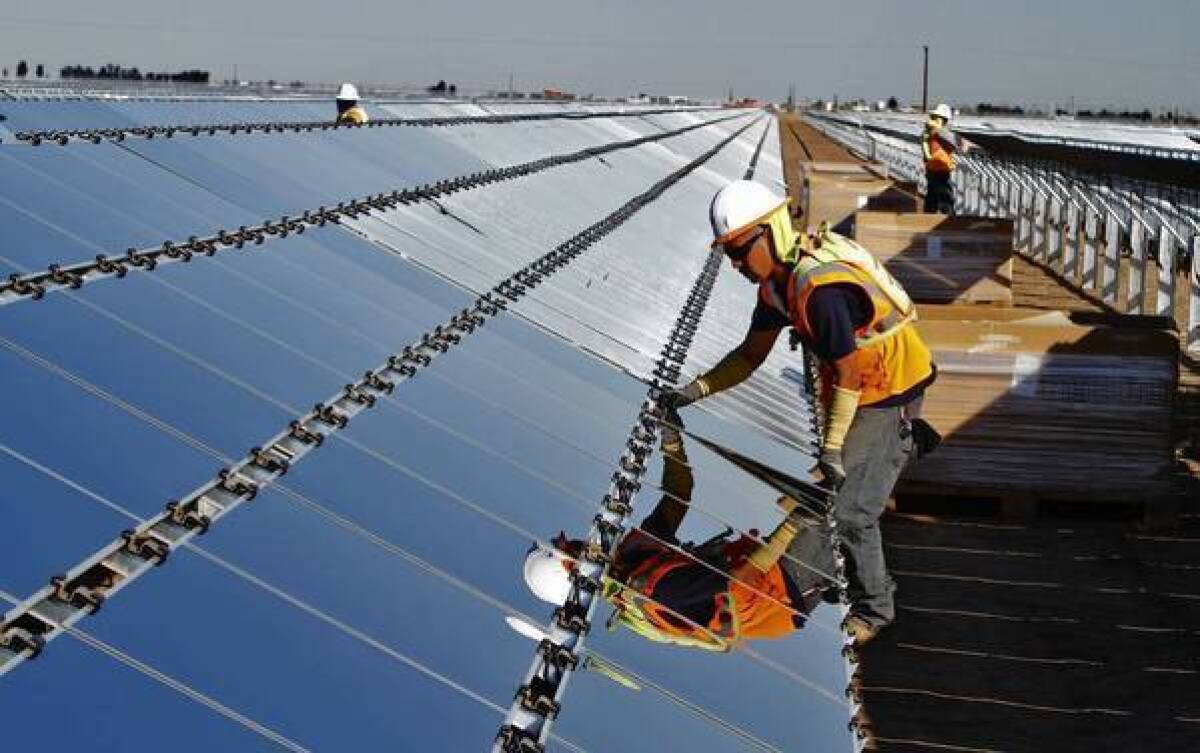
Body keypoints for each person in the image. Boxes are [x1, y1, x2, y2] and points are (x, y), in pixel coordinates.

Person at [663, 180, 939, 643]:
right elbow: (749, 356)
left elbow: (850, 375)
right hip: (860, 387)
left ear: (770, 232)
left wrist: (832, 454)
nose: (734, 264)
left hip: (888, 386)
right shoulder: (776, 289)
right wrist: (692, 392)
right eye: (727, 254)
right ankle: (898, 454)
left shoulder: (817, 290)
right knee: (843, 500)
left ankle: (873, 608)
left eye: (739, 250)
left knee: (844, 508)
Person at [523, 417, 836, 651]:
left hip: (772, 574)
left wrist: (671, 443)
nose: (589, 541)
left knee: (839, 503)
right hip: (780, 590)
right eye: (577, 548)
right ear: (578, 571)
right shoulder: (652, 590)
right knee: (843, 500)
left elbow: (679, 493)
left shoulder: (634, 557)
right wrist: (794, 525)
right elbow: (740, 579)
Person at [921, 103, 964, 214]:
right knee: (946, 197)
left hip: (931, 167)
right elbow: (954, 145)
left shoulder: (929, 129)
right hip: (941, 167)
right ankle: (949, 221)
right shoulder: (940, 130)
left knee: (932, 195)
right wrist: (962, 143)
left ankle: (927, 218)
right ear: (944, 119)